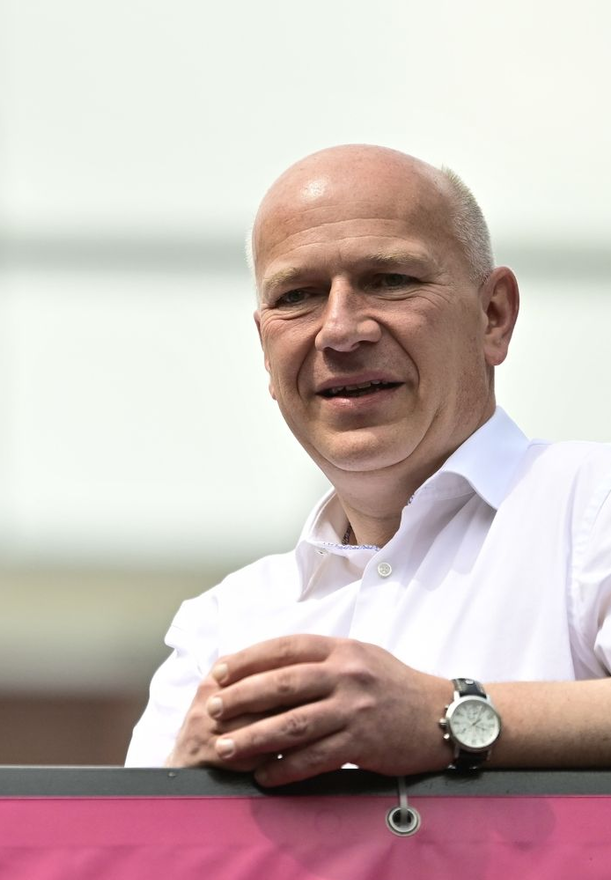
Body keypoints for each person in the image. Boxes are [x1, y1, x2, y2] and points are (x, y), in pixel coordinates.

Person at [127, 144, 611, 784]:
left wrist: (449, 718)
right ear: (265, 352)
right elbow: (138, 877)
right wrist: (181, 788)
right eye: (298, 295)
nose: (340, 330)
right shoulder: (223, 625)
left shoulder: (589, 504)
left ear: (493, 316)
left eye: (390, 281)